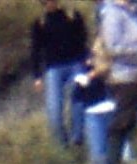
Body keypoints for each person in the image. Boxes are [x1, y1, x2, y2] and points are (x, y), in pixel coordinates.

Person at [86, 0, 137, 164]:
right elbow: (114, 47)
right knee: (123, 120)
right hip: (124, 77)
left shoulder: (130, 12)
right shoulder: (112, 13)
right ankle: (111, 163)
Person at [31, 1, 92, 150]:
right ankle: (62, 146)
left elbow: (83, 40)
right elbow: (36, 50)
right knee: (54, 110)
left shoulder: (72, 16)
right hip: (53, 68)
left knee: (77, 100)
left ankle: (78, 139)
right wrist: (37, 76)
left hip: (75, 64)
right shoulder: (40, 22)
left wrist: (87, 62)